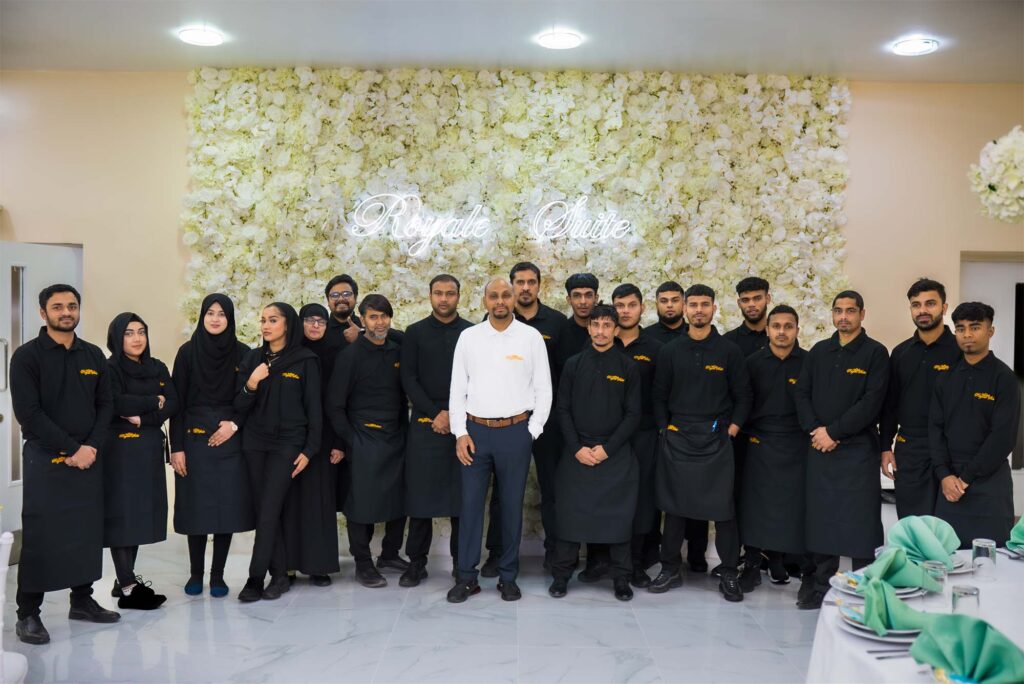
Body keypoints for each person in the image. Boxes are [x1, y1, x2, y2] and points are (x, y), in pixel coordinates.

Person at [10, 284, 120, 645]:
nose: (66, 312)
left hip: (88, 459)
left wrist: (91, 447)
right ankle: (28, 613)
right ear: (43, 313)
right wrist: (73, 448)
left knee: (85, 532)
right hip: (47, 459)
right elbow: (29, 414)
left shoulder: (93, 355)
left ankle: (82, 600)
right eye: (57, 307)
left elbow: (106, 405)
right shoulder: (27, 357)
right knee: (42, 535)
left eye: (72, 306)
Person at [447, 278, 552, 603]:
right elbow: (457, 389)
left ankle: (508, 577)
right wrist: (460, 432)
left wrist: (532, 430)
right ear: (485, 301)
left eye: (506, 295)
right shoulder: (469, 337)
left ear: (513, 299)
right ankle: (467, 577)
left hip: (515, 432)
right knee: (470, 507)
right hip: (475, 433)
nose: (500, 301)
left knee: (510, 507)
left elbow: (544, 388)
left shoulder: (530, 337)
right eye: (493, 296)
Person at [650, 284, 751, 602]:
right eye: (692, 305)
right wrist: (665, 431)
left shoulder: (729, 351)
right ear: (685, 308)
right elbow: (658, 396)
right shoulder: (670, 351)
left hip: (717, 440)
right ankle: (669, 569)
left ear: (714, 308)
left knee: (723, 510)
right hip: (678, 438)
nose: (698, 310)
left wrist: (732, 430)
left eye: (704, 305)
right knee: (674, 509)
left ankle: (730, 572)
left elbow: (743, 396)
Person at [794, 290, 889, 610]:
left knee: (861, 520)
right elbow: (802, 393)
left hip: (858, 450)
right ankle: (821, 585)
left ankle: (864, 586)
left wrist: (834, 432)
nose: (844, 316)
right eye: (838, 310)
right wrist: (816, 430)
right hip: (819, 446)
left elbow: (872, 402)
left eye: (850, 310)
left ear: (862, 314)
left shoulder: (875, 353)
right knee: (822, 518)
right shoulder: (820, 351)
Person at [549, 304, 640, 601]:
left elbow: (633, 414)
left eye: (606, 325)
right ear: (588, 328)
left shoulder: (628, 366)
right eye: (596, 325)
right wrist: (577, 448)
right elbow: (562, 409)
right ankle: (561, 575)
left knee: (618, 518)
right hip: (576, 452)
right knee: (570, 516)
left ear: (616, 329)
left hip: (615, 454)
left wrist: (607, 449)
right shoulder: (573, 364)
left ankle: (621, 578)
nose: (600, 331)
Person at [169, 294, 254, 598]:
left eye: (221, 314)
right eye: (210, 313)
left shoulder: (243, 353)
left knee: (224, 509)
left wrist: (234, 425)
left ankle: (218, 576)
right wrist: (176, 447)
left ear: (230, 319)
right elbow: (176, 404)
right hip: (193, 440)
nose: (215, 319)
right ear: (202, 316)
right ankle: (196, 574)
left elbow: (251, 399)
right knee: (196, 508)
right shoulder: (187, 352)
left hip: (230, 440)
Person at [234, 303, 320, 602]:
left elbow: (314, 409)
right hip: (255, 443)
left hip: (288, 444)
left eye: (273, 320)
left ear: (288, 324)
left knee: (269, 509)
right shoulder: (252, 359)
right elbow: (239, 405)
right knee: (265, 511)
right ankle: (280, 575)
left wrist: (309, 450)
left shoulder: (306, 361)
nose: (266, 326)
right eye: (263, 320)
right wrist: (252, 382)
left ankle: (255, 578)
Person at [329, 294, 410, 588]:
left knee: (400, 500)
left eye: (384, 316)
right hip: (363, 438)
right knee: (361, 504)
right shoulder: (349, 356)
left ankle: (389, 554)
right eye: (373, 317)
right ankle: (363, 563)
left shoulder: (398, 351)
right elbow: (335, 405)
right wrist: (352, 440)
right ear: (362, 319)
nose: (380, 322)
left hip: (396, 437)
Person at [400, 275, 473, 586]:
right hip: (424, 423)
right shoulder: (415, 333)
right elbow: (408, 379)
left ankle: (461, 563)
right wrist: (435, 413)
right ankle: (416, 563)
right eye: (438, 293)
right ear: (430, 296)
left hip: (464, 425)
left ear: (459, 296)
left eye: (450, 293)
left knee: (462, 499)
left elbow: (478, 379)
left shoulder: (471, 333)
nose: (444, 299)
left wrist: (455, 416)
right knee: (420, 499)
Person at [103, 312, 178, 610]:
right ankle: (129, 587)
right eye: (129, 333)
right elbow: (114, 403)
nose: (137, 338)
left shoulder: (157, 366)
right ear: (117, 337)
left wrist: (144, 418)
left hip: (148, 447)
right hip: (119, 450)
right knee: (123, 513)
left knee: (138, 514)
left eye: (141, 332)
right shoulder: (109, 368)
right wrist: (152, 400)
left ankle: (123, 579)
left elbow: (173, 401)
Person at [930, 302, 1020, 547]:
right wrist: (944, 475)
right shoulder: (945, 378)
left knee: (991, 559)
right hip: (949, 484)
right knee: (947, 557)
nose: (967, 334)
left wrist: (965, 478)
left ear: (990, 331)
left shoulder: (1004, 378)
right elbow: (935, 430)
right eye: (961, 328)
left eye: (975, 327)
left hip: (989, 484)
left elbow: (1002, 438)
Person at [738, 305, 808, 592]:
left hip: (796, 444)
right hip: (759, 442)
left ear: (797, 330)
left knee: (789, 507)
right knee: (755, 507)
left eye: (788, 326)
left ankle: (778, 560)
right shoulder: (752, 363)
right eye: (776, 326)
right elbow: (743, 402)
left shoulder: (809, 363)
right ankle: (752, 563)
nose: (782, 332)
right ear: (767, 330)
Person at [880, 278, 960, 518]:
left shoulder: (960, 351)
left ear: (944, 308)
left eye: (930, 303)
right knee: (913, 522)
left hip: (952, 448)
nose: (922, 310)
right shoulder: (901, 353)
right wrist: (885, 447)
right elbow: (890, 405)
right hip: (911, 448)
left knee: (950, 523)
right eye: (916, 305)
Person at [281, 303, 342, 586]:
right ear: (300, 322)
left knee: (319, 502)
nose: (316, 326)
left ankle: (319, 566)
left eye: (321, 321)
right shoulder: (289, 352)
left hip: (325, 439)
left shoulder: (337, 353)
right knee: (290, 502)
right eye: (310, 320)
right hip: (291, 437)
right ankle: (288, 566)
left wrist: (339, 442)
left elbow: (342, 401)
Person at [611, 283, 664, 586]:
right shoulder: (601, 343)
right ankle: (605, 560)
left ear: (642, 308)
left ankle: (638, 562)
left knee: (643, 499)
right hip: (609, 436)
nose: (625, 311)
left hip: (644, 435)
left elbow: (661, 395)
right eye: (620, 305)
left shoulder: (656, 348)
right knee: (610, 494)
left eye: (631, 305)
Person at [723, 277, 771, 358]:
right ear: (739, 303)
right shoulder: (727, 341)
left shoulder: (781, 337)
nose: (751, 304)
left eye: (757, 298)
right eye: (745, 300)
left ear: (768, 299)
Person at [641, 280, 688, 345]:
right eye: (664, 301)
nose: (669, 305)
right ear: (657, 305)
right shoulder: (644, 336)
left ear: (683, 304)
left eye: (675, 300)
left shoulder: (695, 334)